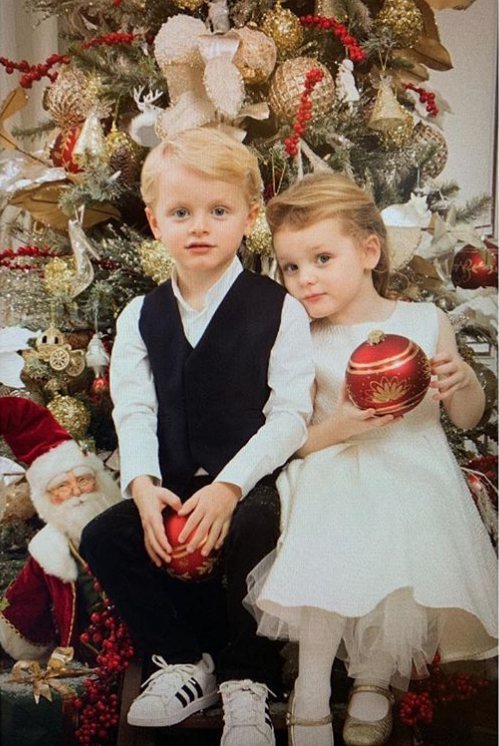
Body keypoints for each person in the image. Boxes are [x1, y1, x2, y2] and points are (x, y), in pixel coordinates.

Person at [80, 127, 314, 746]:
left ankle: (247, 681)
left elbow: (291, 413)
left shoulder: (278, 308)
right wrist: (142, 484)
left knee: (255, 532)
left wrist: (232, 486)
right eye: (181, 213)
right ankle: (183, 662)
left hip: (247, 481)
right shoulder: (140, 315)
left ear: (250, 217)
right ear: (155, 222)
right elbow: (133, 408)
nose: (200, 226)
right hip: (172, 482)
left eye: (218, 210)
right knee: (107, 537)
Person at [246, 173, 498, 746]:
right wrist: (337, 427)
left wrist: (461, 384)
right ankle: (310, 687)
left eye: (321, 257)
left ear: (368, 251)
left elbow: (464, 419)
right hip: (333, 463)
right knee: (334, 517)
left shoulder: (422, 321)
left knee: (398, 530)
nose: (305, 277)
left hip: (411, 464)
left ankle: (373, 680)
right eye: (290, 267)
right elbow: (290, 440)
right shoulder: (299, 338)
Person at [0, 396, 121, 660]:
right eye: (62, 486)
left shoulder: (128, 525)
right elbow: (23, 610)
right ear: (47, 500)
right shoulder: (49, 550)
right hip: (90, 659)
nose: (76, 492)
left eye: (83, 480)